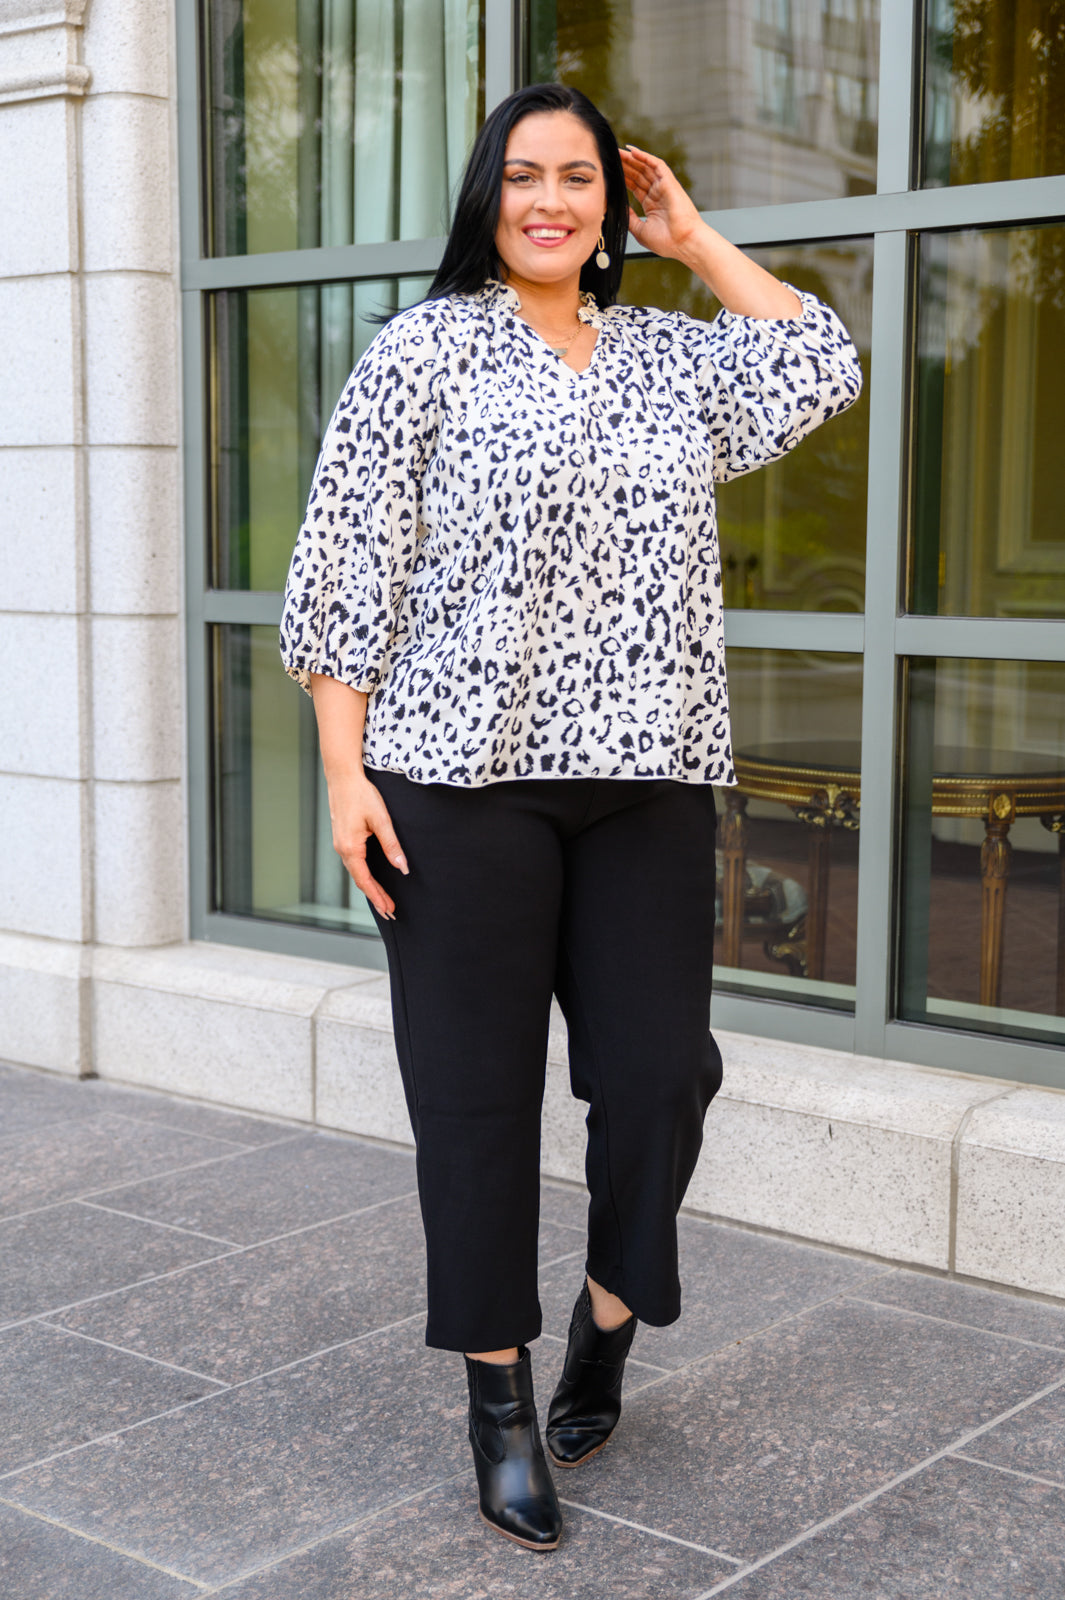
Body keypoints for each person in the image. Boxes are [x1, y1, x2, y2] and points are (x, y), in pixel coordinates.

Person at [280, 82, 862, 1553]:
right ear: (489, 195)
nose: (553, 201)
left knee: (662, 1074)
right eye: (527, 176)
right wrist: (344, 777)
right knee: (473, 1106)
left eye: (582, 181)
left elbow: (820, 365)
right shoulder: (420, 352)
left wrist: (694, 233)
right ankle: (498, 1396)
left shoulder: (669, 357)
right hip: (453, 782)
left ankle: (608, 1319)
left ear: (613, 205)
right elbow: (343, 577)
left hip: (646, 774)